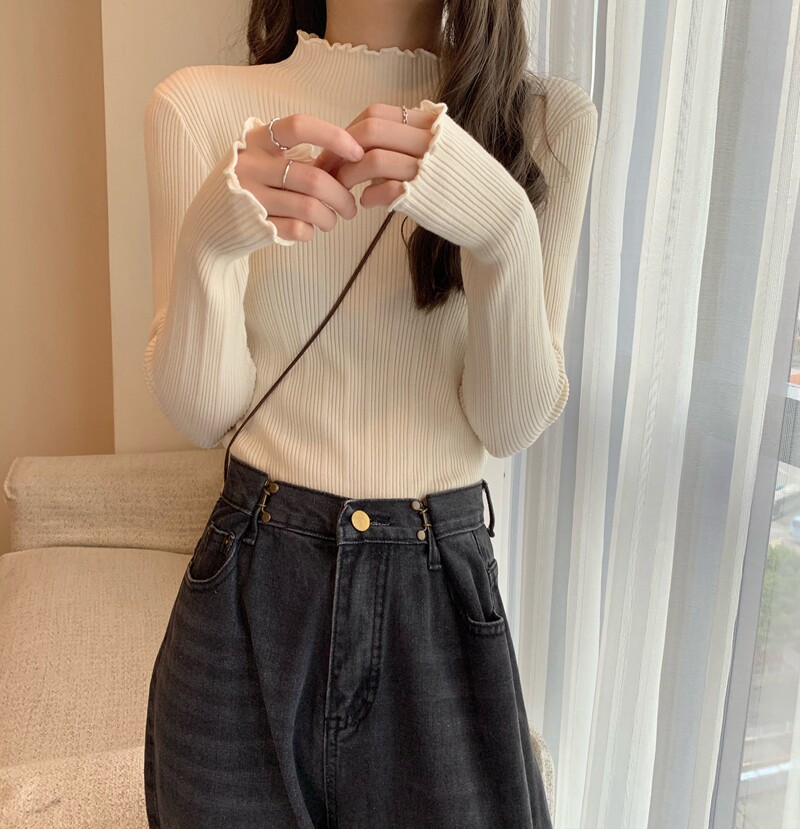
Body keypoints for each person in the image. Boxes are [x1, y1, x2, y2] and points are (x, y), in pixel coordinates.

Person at [141, 2, 598, 827]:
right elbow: (204, 413)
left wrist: (505, 235)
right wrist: (209, 247)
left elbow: (508, 421)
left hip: (438, 595)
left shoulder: (544, 122)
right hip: (249, 592)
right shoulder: (198, 107)